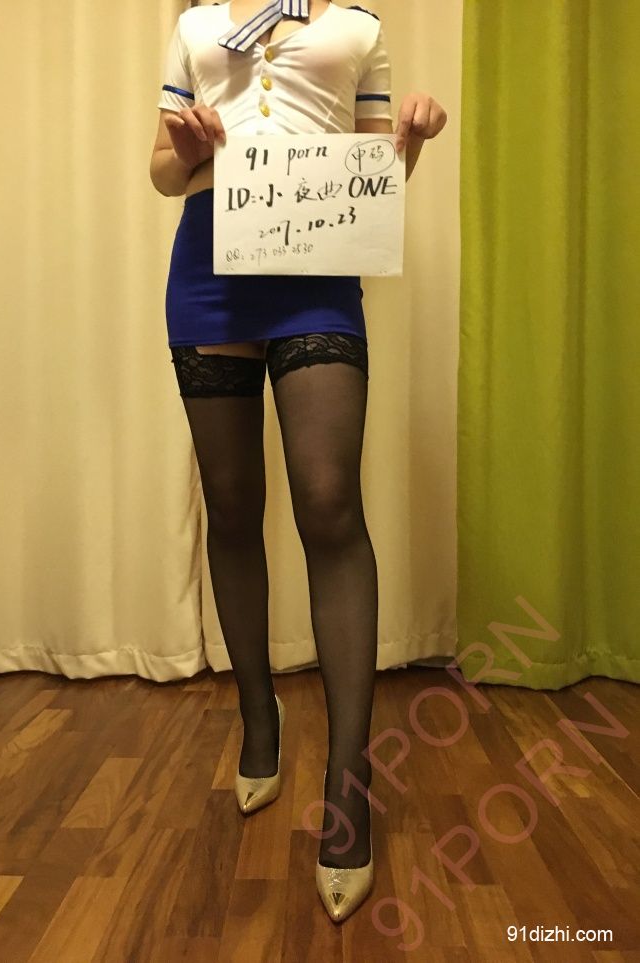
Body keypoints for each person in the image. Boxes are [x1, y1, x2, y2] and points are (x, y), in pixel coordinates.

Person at [150, 0, 446, 923]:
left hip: (317, 274)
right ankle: (259, 716)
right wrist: (188, 147)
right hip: (208, 273)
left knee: (328, 501)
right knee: (233, 502)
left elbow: (375, 171)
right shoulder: (198, 25)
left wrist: (409, 142)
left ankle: (349, 780)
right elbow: (161, 172)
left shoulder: (357, 26)